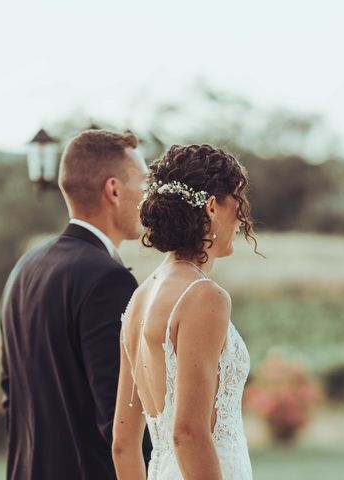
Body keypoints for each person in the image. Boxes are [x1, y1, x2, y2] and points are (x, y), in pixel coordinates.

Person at [0, 129, 152, 480]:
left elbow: (12, 399)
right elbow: (120, 418)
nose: (147, 197)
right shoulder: (107, 280)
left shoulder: (25, 267)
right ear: (113, 190)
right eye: (142, 184)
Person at [113, 144, 257, 479]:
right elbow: (189, 433)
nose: (242, 216)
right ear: (211, 207)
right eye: (237, 200)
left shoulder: (138, 299)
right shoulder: (203, 296)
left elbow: (123, 442)